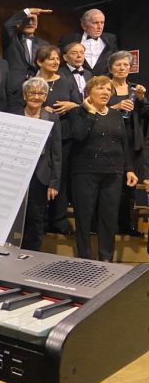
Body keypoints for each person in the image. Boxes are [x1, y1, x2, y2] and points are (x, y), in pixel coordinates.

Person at [68, 76, 138, 262]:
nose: (105, 92)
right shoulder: (78, 112)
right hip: (85, 171)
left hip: (113, 172)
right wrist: (91, 113)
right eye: (100, 88)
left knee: (109, 216)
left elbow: (124, 144)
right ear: (88, 93)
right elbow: (79, 135)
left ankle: (106, 258)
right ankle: (85, 258)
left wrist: (129, 169)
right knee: (84, 216)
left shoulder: (116, 115)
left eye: (108, 89)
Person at [33, 45, 82, 235]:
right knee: (42, 177)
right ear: (40, 62)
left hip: (65, 135)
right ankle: (42, 221)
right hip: (42, 138)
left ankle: (59, 220)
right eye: (50, 59)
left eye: (56, 58)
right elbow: (24, 104)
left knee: (60, 178)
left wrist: (71, 105)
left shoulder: (66, 81)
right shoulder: (33, 82)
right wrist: (41, 109)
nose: (55, 62)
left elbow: (80, 104)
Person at [107, 50, 148, 236]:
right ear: (111, 68)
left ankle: (127, 225)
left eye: (126, 65)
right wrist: (115, 107)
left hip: (132, 142)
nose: (122, 68)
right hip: (110, 141)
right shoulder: (104, 86)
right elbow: (95, 110)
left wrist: (141, 99)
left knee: (129, 185)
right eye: (118, 65)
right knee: (111, 185)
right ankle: (109, 225)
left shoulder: (135, 89)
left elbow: (146, 114)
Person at [19, 77, 62, 252]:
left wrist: (54, 183)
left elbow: (56, 153)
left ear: (45, 97)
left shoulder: (52, 118)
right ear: (24, 95)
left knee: (36, 219)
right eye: (32, 93)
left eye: (40, 93)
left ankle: (31, 255)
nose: (36, 97)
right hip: (17, 175)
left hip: (41, 176)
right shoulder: (14, 115)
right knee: (15, 219)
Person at [2, 7, 52, 111]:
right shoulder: (11, 39)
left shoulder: (44, 44)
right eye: (26, 20)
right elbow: (7, 25)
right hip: (14, 91)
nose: (30, 23)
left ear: (37, 24)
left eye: (33, 20)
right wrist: (27, 11)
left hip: (37, 91)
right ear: (18, 23)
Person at [59, 9, 118, 76]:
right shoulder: (69, 39)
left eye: (102, 23)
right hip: (77, 79)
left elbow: (116, 60)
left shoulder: (110, 39)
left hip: (104, 80)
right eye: (95, 23)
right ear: (84, 25)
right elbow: (59, 60)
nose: (100, 27)